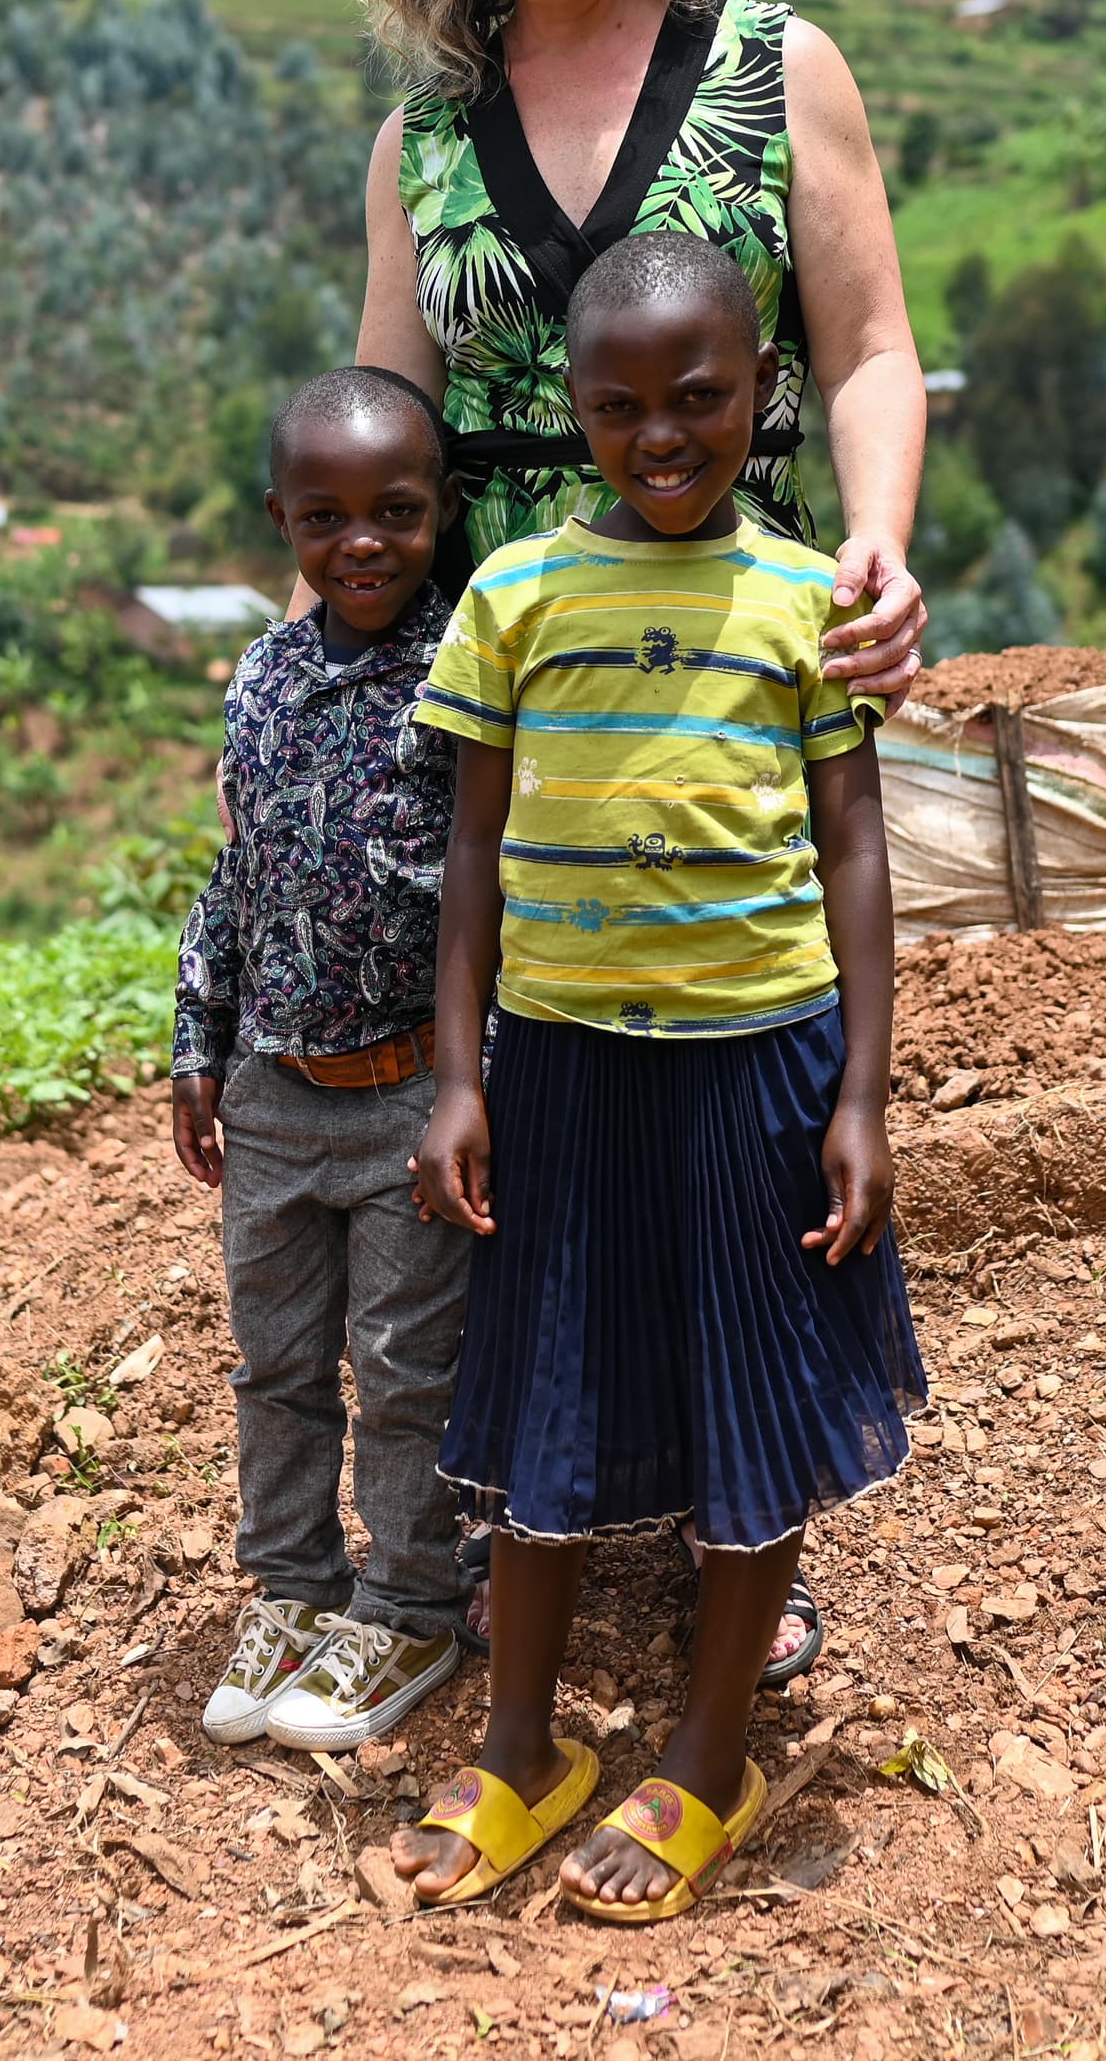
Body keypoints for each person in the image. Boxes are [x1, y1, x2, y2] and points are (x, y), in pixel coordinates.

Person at [343, 0, 932, 1678]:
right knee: (545, 1101)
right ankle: (541, 1497)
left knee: (740, 1089)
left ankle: (741, 1507)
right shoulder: (422, 149)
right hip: (512, 687)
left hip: (731, 659)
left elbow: (859, 344)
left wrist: (876, 540)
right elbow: (392, 431)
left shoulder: (776, 72)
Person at [390, 234, 921, 1923]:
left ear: (760, 393)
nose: (663, 437)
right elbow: (472, 850)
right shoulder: (516, 594)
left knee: (748, 1405)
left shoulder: (805, 601)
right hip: (558, 1071)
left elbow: (854, 850)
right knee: (543, 1399)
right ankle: (526, 1741)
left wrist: (862, 1096)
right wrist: (457, 1073)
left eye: (701, 399)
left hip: (757, 1064)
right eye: (620, 407)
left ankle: (707, 1754)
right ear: (575, 408)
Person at [173, 366, 478, 1753]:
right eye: (325, 516)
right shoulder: (265, 675)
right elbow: (238, 873)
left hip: (410, 1090)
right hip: (275, 1097)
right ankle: (295, 1588)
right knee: (277, 1363)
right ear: (281, 520)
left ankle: (413, 1603)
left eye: (396, 513)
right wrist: (199, 1034)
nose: (362, 542)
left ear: (442, 511)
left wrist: (475, 1091)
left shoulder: (469, 674)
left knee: (407, 1370)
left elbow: (494, 897)